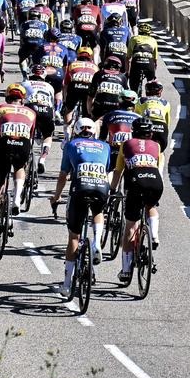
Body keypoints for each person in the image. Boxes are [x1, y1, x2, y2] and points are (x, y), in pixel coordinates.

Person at [50, 118, 112, 298]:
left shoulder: (71, 145)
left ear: (77, 131)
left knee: (74, 237)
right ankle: (97, 242)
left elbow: (63, 175)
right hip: (101, 187)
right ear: (94, 132)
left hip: (80, 188)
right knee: (98, 212)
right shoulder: (104, 146)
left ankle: (67, 285)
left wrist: (57, 196)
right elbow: (106, 170)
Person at [0, 83, 38, 243]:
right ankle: (17, 197)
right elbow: (30, 138)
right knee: (19, 167)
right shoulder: (31, 112)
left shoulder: (0, 110)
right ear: (23, 99)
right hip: (23, 145)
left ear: (7, 96)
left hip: (5, 145)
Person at [112, 117, 165, 284]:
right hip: (155, 182)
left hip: (135, 182)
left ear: (133, 131)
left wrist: (112, 190)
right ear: (151, 133)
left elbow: (118, 171)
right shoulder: (157, 146)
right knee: (151, 205)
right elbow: (160, 171)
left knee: (131, 224)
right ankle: (154, 236)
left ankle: (126, 270)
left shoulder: (126, 144)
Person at [135, 80, 174, 170]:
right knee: (160, 152)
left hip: (145, 125)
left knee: (140, 147)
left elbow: (136, 118)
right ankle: (159, 173)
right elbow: (167, 122)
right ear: (160, 91)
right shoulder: (165, 103)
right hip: (161, 127)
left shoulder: (140, 101)